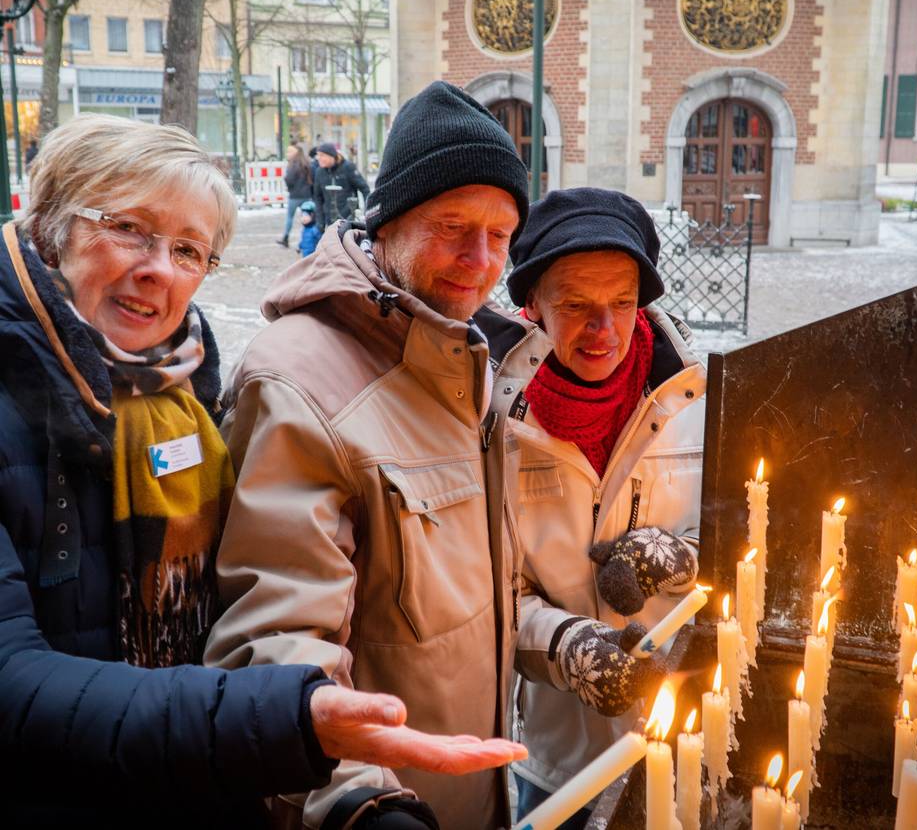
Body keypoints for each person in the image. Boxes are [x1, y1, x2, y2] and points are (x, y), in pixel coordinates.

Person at [0, 114, 524, 829]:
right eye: (128, 228)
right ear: (49, 227)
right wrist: (305, 736)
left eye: (189, 249)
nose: (158, 268)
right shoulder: (286, 377)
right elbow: (15, 677)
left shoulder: (176, 397)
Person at [205, 81, 571, 829]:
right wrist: (359, 802)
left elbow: (463, 606)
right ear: (390, 222)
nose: (480, 259)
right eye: (453, 226)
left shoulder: (468, 362)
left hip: (470, 793)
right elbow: (274, 641)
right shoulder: (300, 380)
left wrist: (565, 641)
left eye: (500, 234)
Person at [505, 188, 707, 828]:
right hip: (558, 759)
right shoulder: (493, 421)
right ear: (531, 304)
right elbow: (484, 589)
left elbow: (750, 537)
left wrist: (682, 560)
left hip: (685, 738)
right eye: (576, 305)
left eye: (622, 302)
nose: (605, 329)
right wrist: (566, 645)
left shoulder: (693, 398)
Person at [312, 140, 370, 228]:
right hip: (330, 219)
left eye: (322, 155)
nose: (318, 158)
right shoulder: (319, 172)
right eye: (318, 155)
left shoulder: (347, 167)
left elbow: (364, 188)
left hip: (349, 218)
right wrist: (320, 221)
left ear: (332, 156)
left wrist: (367, 211)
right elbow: (318, 198)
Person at [278, 144, 312, 247]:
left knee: (290, 217)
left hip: (295, 196)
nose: (288, 154)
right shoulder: (307, 163)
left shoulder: (293, 164)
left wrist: (290, 187)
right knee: (306, 216)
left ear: (296, 152)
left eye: (290, 151)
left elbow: (289, 179)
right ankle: (306, 239)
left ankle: (286, 238)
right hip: (306, 195)